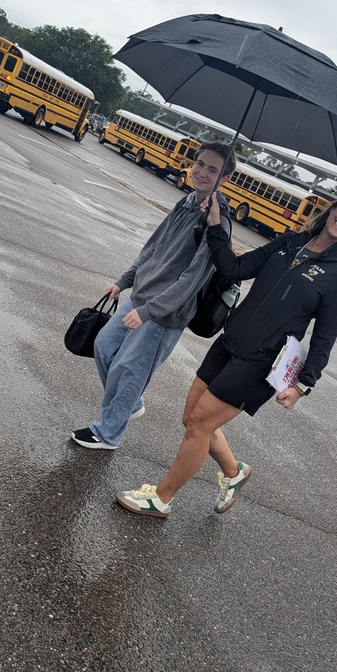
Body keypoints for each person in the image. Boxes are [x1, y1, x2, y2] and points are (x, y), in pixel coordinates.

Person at [114, 192, 337, 516]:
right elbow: (235, 267)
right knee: (191, 419)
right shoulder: (290, 242)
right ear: (333, 209)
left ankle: (161, 499)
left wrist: (302, 384)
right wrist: (214, 226)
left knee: (198, 424)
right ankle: (234, 471)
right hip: (229, 342)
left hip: (261, 362)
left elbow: (326, 336)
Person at [71, 142, 237, 450]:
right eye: (199, 163)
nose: (201, 172)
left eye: (212, 169)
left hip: (165, 313)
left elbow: (193, 278)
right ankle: (129, 405)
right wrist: (125, 280)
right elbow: (154, 246)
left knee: (131, 369)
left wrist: (150, 311)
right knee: (104, 347)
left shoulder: (218, 223)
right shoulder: (187, 202)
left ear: (224, 179)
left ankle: (108, 433)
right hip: (142, 295)